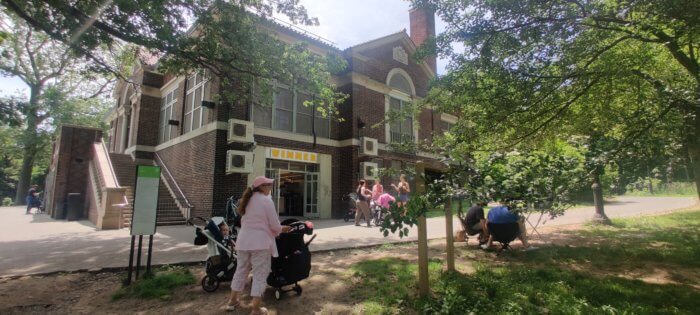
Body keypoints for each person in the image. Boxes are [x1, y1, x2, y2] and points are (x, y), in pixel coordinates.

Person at [226, 176, 290, 314]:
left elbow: (244, 222)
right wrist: (282, 229)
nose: (270, 187)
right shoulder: (266, 201)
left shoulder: (247, 200)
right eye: (268, 185)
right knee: (260, 274)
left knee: (241, 270)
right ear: (261, 187)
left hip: (243, 241)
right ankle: (255, 309)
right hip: (260, 243)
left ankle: (232, 301)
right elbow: (274, 224)